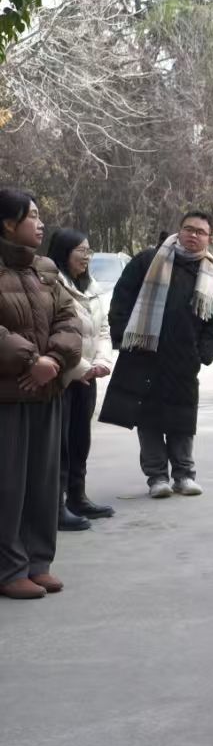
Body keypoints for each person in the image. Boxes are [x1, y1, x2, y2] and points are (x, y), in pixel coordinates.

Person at [100, 212, 213, 498]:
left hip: (184, 359)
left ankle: (184, 475)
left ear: (209, 238)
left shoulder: (210, 273)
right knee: (149, 419)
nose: (193, 235)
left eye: (200, 232)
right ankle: (157, 477)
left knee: (183, 419)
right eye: (188, 229)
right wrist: (126, 340)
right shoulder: (148, 260)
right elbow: (121, 300)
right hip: (145, 354)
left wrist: (200, 354)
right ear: (178, 231)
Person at [0, 189, 82, 600]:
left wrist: (53, 359)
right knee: (8, 486)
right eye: (32, 215)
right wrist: (31, 360)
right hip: (8, 397)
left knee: (43, 484)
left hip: (46, 393)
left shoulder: (46, 269)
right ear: (7, 223)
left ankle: (37, 562)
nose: (40, 223)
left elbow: (71, 320)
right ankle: (9, 568)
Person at [48, 229, 116, 529]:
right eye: (81, 251)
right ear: (64, 252)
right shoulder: (52, 284)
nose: (87, 257)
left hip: (88, 376)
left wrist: (101, 362)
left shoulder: (92, 287)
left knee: (80, 439)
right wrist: (82, 368)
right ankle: (56, 505)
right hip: (62, 376)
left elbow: (103, 330)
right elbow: (52, 333)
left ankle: (77, 496)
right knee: (59, 444)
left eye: (89, 251)